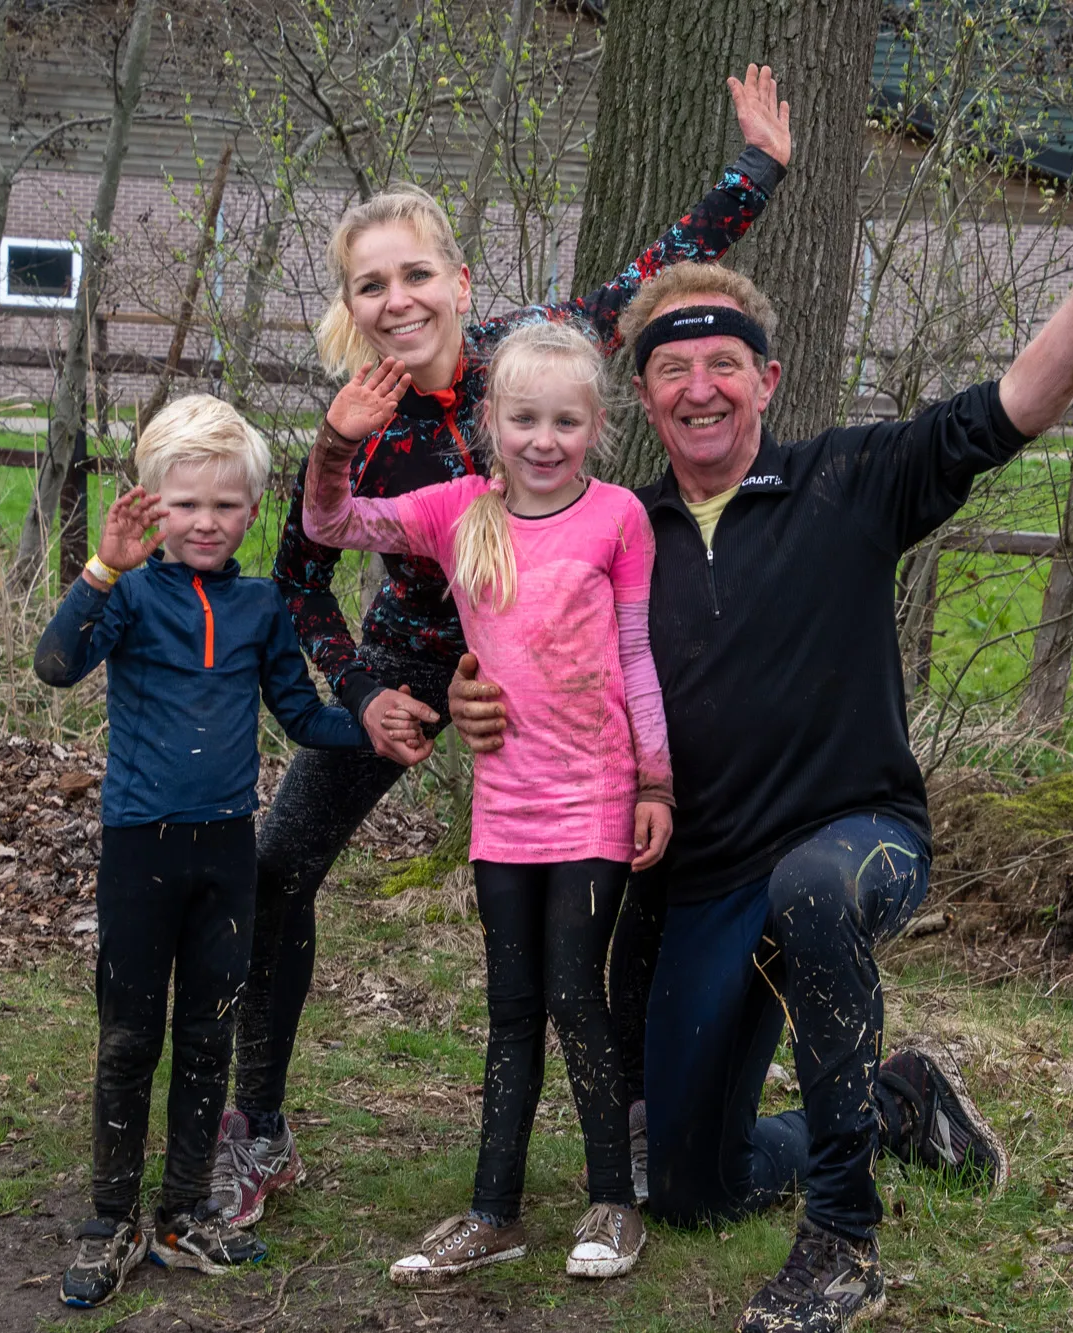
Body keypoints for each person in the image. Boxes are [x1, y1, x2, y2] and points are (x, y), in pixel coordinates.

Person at [449, 109, 1073, 1332]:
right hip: (701, 880)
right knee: (686, 1186)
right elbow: (529, 655)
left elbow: (1016, 402)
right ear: (640, 396)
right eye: (671, 370)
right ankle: (900, 1104)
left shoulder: (852, 480)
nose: (699, 388)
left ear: (765, 378)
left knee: (813, 889)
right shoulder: (616, 535)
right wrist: (467, 693)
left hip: (853, 838)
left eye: (724, 364)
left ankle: (841, 1242)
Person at [212, 65, 796, 1230]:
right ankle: (258, 1129)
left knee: (641, 860)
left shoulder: (528, 354)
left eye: (415, 274)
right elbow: (300, 577)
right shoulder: (359, 420)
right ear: (351, 306)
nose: (397, 300)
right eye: (371, 285)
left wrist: (757, 170)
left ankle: (636, 1116)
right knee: (275, 870)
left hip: (564, 661)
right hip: (416, 662)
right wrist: (365, 694)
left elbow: (655, 269)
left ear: (457, 281)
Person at [34, 395, 430, 1310]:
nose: (205, 522)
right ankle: (110, 1220)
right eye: (186, 504)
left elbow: (301, 714)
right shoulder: (130, 594)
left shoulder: (259, 606)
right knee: (130, 1036)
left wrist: (376, 727)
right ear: (153, 504)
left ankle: (183, 1213)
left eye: (225, 504)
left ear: (253, 508)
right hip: (141, 848)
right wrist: (101, 568)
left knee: (210, 1033)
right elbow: (56, 665)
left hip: (225, 852)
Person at [306, 321, 672, 1282]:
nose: (543, 441)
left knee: (573, 993)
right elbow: (331, 525)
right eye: (523, 420)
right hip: (504, 805)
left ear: (597, 426)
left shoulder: (619, 519)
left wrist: (655, 781)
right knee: (511, 1006)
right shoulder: (457, 512)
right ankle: (492, 1212)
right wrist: (337, 443)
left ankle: (612, 1203)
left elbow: (637, 658)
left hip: (595, 797)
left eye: (564, 422)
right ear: (491, 423)